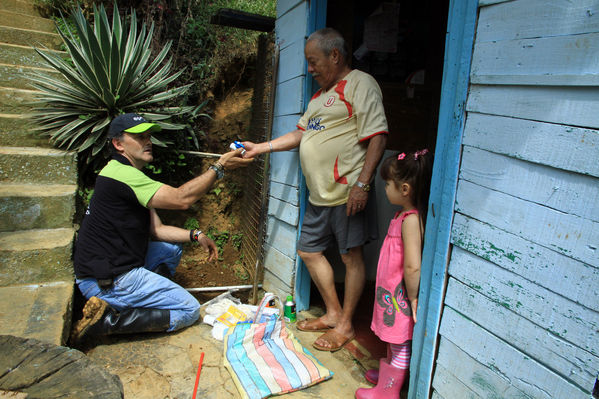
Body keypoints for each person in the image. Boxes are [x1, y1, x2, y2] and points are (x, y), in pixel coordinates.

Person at [242, 27, 388, 351]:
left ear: (334, 55)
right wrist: (260, 148)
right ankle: (333, 313)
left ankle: (346, 325)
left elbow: (378, 135)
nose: (309, 69)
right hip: (319, 196)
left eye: (313, 61)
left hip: (348, 190)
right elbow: (300, 135)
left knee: (351, 257)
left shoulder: (361, 84)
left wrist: (362, 184)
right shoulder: (320, 97)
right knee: (309, 250)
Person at [71, 113, 252, 343]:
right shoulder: (123, 175)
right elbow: (182, 198)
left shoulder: (124, 173)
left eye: (148, 136)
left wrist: (196, 235)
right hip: (107, 279)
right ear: (118, 144)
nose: (148, 142)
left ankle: (145, 297)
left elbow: (156, 229)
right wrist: (219, 166)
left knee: (170, 250)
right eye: (139, 137)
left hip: (105, 268)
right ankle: (107, 321)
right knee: (188, 310)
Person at [355, 149, 433, 398]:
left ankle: (389, 390)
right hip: (389, 291)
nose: (386, 189)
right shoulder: (402, 216)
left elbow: (413, 265)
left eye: (388, 184)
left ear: (406, 189)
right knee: (392, 336)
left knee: (400, 341)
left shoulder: (411, 220)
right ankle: (390, 375)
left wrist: (412, 297)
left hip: (400, 296)